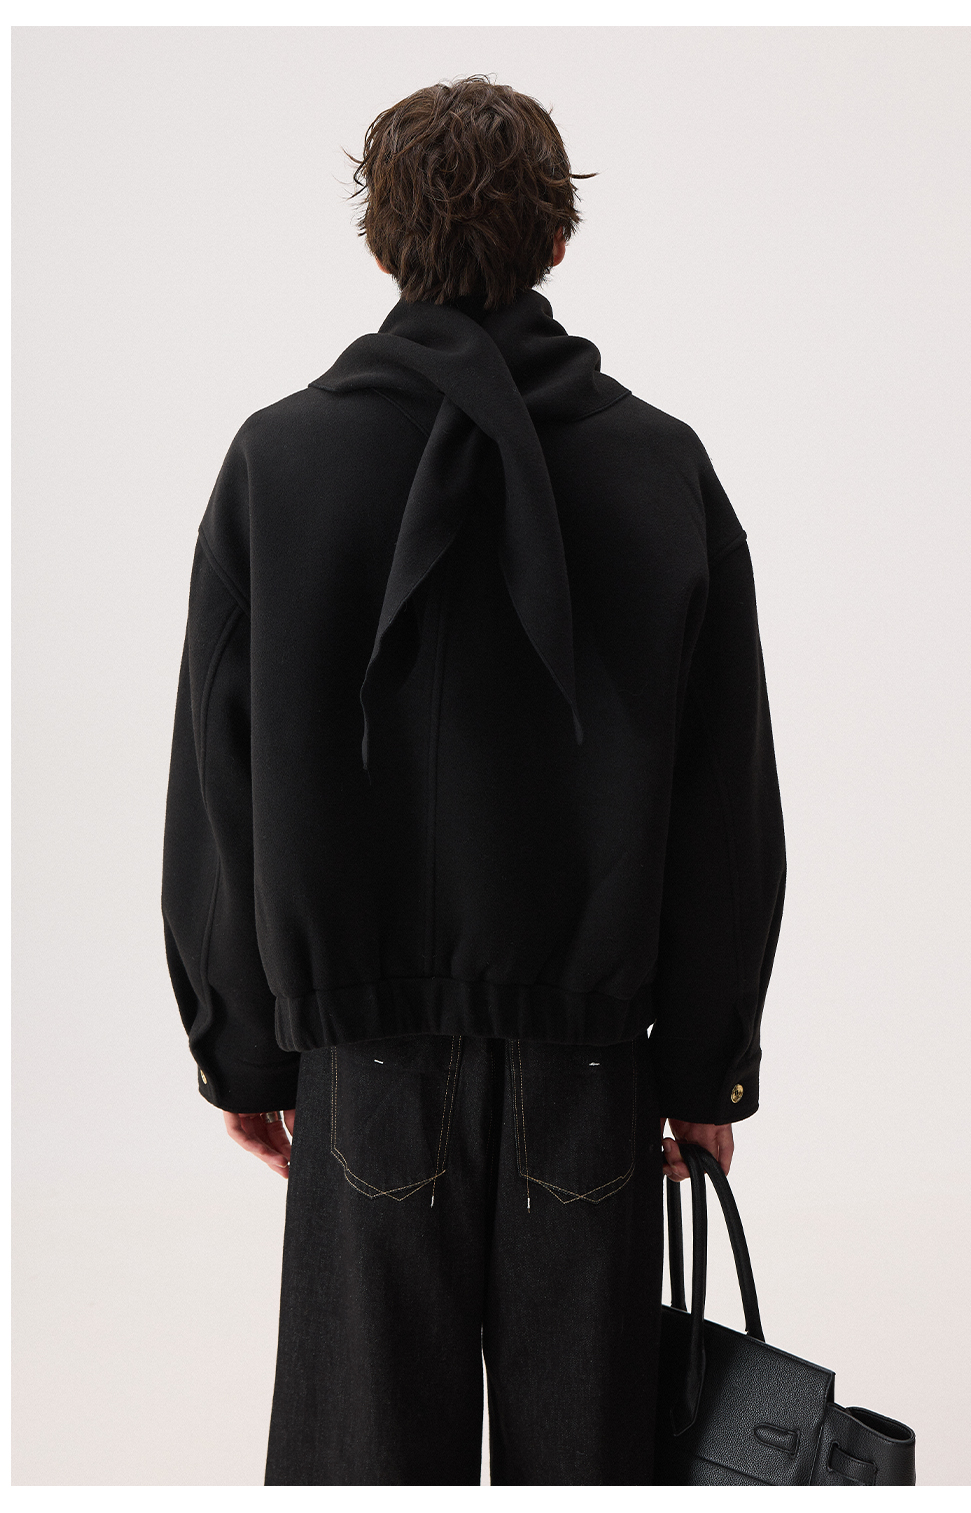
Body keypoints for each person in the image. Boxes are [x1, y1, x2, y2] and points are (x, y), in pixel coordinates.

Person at [161, 75, 786, 1486]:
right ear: (560, 238)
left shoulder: (278, 462)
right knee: (591, 1468)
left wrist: (241, 1046)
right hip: (591, 1069)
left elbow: (216, 788)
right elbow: (726, 805)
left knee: (364, 1467)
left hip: (363, 1064)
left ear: (379, 242)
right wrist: (709, 1063)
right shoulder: (659, 466)